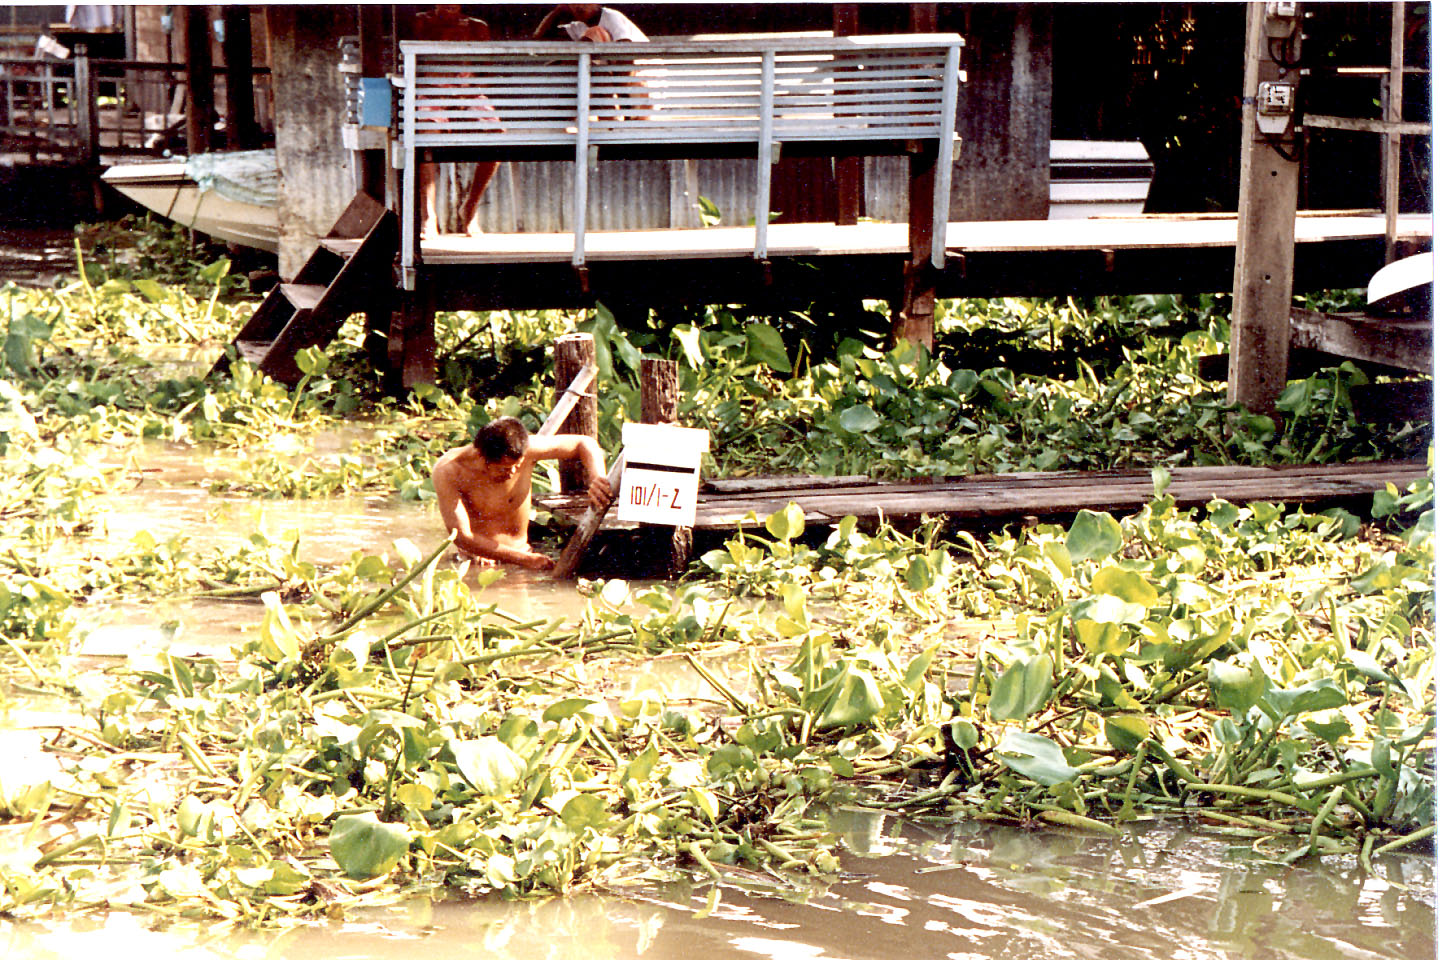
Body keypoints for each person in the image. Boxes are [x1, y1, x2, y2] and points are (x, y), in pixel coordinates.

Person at [432, 417, 611, 570]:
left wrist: (598, 479)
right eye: (503, 469)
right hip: (476, 562)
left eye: (518, 465)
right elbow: (462, 536)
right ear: (481, 457)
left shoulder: (528, 449)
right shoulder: (449, 470)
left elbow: (584, 443)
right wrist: (524, 559)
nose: (512, 473)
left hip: (524, 552)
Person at [413, 5, 500, 237]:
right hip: (432, 93)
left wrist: (468, 94)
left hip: (467, 93)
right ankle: (429, 216)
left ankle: (470, 208)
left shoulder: (476, 26)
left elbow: (486, 72)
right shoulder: (421, 22)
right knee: (426, 136)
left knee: (498, 139)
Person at [532, 5, 648, 43]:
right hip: (620, 87)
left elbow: (626, 62)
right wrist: (558, 11)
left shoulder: (612, 17)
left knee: (596, 33)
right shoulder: (577, 26)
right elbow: (539, 39)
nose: (580, 6)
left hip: (648, 81)